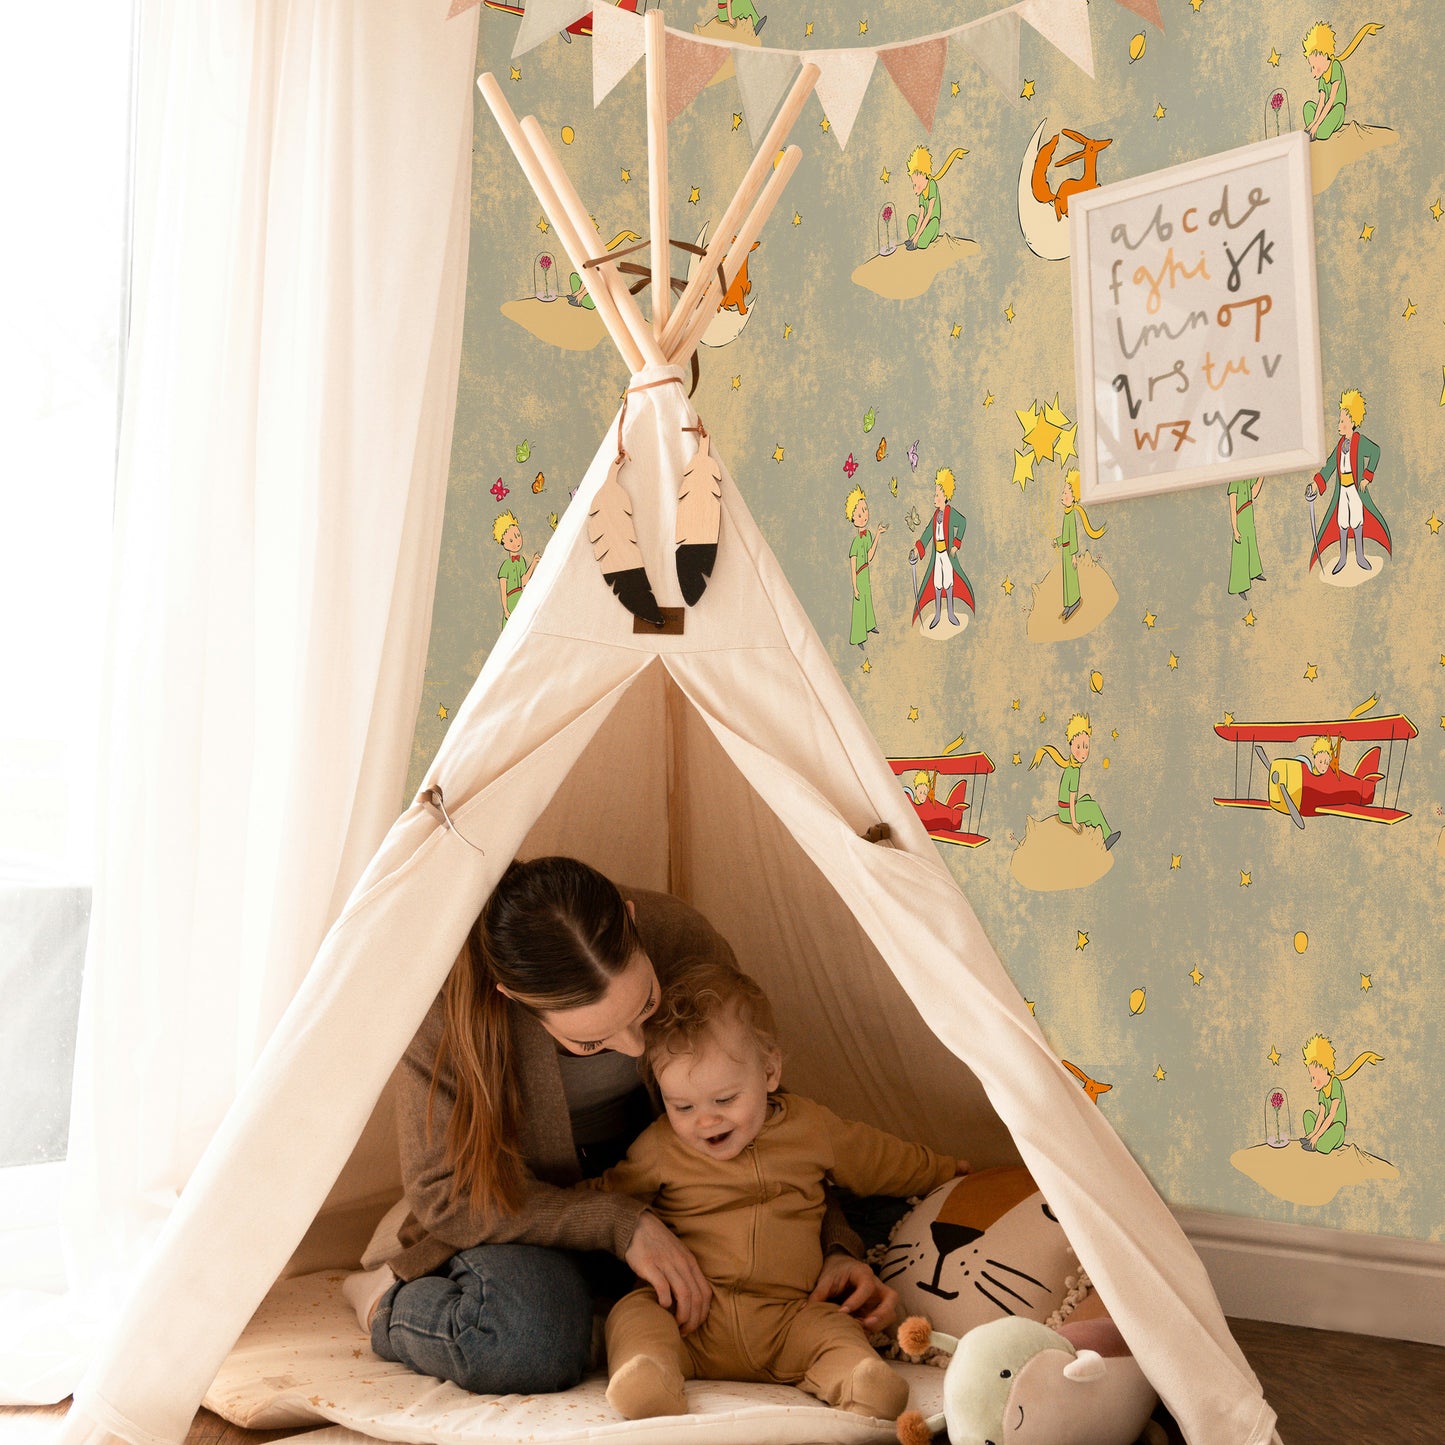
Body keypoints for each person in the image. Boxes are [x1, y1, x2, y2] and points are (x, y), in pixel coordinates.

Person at [346, 857, 896, 1397]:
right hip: (524, 1213)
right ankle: (383, 1299)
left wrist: (835, 1245)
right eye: (590, 1042)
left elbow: (764, 1118)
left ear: (632, 922)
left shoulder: (678, 937)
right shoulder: (442, 1002)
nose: (636, 1047)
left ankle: (600, 1305)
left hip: (684, 1199)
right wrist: (617, 1223)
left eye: (647, 1005)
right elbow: (444, 1194)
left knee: (883, 1216)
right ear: (513, 999)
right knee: (527, 1341)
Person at [586, 959, 965, 1421]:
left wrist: (947, 1169)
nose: (706, 1120)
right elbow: (604, 1197)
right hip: (690, 1317)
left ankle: (859, 1380)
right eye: (682, 1105)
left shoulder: (811, 1127)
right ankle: (648, 1377)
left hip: (790, 1316)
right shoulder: (660, 1147)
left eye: (725, 1099)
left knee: (835, 1330)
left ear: (769, 1071)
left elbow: (881, 1159)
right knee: (635, 1315)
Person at [1306, 389, 1390, 576]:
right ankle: (1343, 558)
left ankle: (1360, 556)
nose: (1339, 425)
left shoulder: (1360, 441)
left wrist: (1367, 477)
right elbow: (1329, 466)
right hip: (1342, 491)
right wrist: (1315, 484)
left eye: (1342, 421)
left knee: (1357, 520)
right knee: (1342, 521)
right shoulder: (1340, 445)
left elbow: (1375, 451)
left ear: (1352, 421)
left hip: (1355, 489)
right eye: (1339, 420)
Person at [1031, 713, 1120, 850]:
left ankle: (1091, 831)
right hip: (1066, 812)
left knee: (1087, 798)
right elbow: (1071, 799)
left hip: (1064, 808)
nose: (1083, 752)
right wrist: (1074, 822)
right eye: (1079, 747)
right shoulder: (1074, 771)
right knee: (1093, 807)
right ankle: (1106, 837)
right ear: (1071, 745)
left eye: (1086, 746)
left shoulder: (1071, 766)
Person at [909, 467, 974, 630]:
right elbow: (927, 534)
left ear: (945, 496)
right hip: (937, 556)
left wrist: (956, 545)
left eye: (937, 495)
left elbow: (963, 522)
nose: (935, 498)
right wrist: (917, 549)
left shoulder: (951, 513)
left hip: (947, 555)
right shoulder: (935, 515)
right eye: (935, 495)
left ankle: (950, 613)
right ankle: (938, 614)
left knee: (949, 582)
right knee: (937, 582)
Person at [1300, 1034, 1384, 1154]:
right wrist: (1313, 1133)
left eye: (1314, 1077)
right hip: (1325, 1127)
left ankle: (1318, 1143)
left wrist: (1317, 1136)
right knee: (1307, 1115)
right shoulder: (1322, 1090)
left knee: (1325, 1143)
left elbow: (1331, 1115)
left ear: (1324, 1069)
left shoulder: (1335, 1084)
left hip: (1336, 1128)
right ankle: (1314, 1141)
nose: (1312, 1083)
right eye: (1311, 1078)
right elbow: (1321, 1115)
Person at [1301, 21, 1382, 142]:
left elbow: (1331, 100)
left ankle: (1319, 130)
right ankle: (1317, 129)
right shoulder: (1322, 77)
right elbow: (1321, 102)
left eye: (1313, 66)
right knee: (1308, 106)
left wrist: (1316, 125)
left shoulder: (1335, 66)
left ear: (1322, 55)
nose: (1312, 72)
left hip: (1336, 110)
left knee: (1322, 133)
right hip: (1325, 112)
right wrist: (1313, 123)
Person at [1054, 468, 1106, 621]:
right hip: (1065, 551)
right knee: (1066, 577)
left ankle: (1074, 601)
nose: (1062, 496)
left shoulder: (1071, 515)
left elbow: (1072, 536)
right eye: (1063, 493)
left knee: (1071, 577)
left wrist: (1073, 555)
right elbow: (1065, 535)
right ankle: (1068, 604)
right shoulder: (1067, 514)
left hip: (1069, 551)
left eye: (1066, 493)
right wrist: (1057, 541)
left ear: (1073, 497)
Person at [904, 145, 967, 252]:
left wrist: (917, 236)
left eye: (915, 184)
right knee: (911, 219)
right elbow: (921, 216)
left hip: (932, 223)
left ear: (922, 175)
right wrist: (914, 235)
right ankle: (915, 239)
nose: (914, 190)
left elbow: (929, 214)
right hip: (923, 224)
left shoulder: (932, 185)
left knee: (922, 243)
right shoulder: (922, 194)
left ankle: (919, 240)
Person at [845, 485, 886, 648]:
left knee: (867, 601)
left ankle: (869, 626)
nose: (864, 515)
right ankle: (858, 637)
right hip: (859, 575)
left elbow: (869, 556)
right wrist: (854, 586)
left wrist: (878, 534)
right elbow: (853, 566)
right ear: (854, 519)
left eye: (865, 509)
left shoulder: (867, 535)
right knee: (859, 606)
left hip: (865, 573)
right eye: (860, 514)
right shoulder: (855, 542)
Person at [494, 511, 540, 621]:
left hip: (521, 598)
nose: (516, 541)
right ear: (504, 544)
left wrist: (534, 562)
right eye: (511, 540)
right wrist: (505, 609)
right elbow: (503, 590)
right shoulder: (505, 566)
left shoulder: (521, 561)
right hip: (510, 601)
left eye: (518, 535)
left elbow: (524, 581)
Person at [1226, 476, 1265, 600]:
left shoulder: (1248, 478)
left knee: (1252, 545)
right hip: (1240, 517)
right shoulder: (1234, 484)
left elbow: (1254, 493)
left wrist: (1262, 475)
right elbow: (1232, 507)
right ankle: (1239, 586)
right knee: (1241, 552)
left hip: (1248, 514)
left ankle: (1254, 572)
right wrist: (1235, 529)